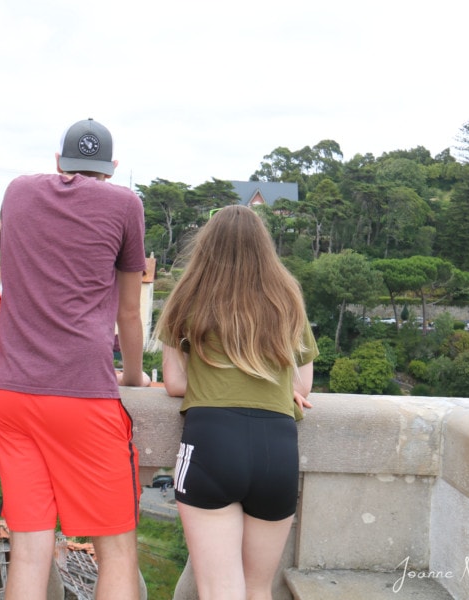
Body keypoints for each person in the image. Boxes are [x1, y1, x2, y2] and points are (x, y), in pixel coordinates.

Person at [0, 117, 150, 600]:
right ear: (112, 167)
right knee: (117, 551)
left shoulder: (17, 191)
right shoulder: (125, 203)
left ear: (60, 161)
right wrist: (136, 375)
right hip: (83, 394)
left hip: (11, 395)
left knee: (31, 549)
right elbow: (127, 310)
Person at [156, 205, 318, 600]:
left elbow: (175, 383)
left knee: (219, 589)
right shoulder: (286, 297)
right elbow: (304, 385)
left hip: (211, 441)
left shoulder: (188, 295)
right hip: (276, 445)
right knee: (258, 588)